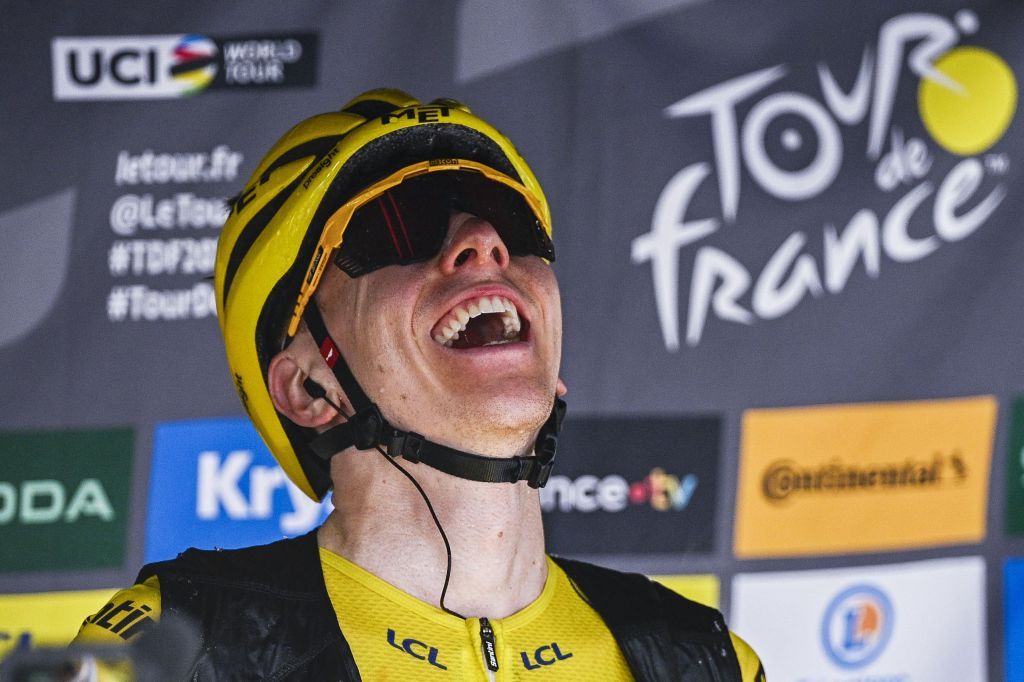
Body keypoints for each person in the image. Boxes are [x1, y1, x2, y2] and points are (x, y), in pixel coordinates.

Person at [74, 88, 765, 680]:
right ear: (308, 389)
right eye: (397, 226)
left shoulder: (704, 661)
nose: (484, 239)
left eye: (511, 221)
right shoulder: (172, 652)